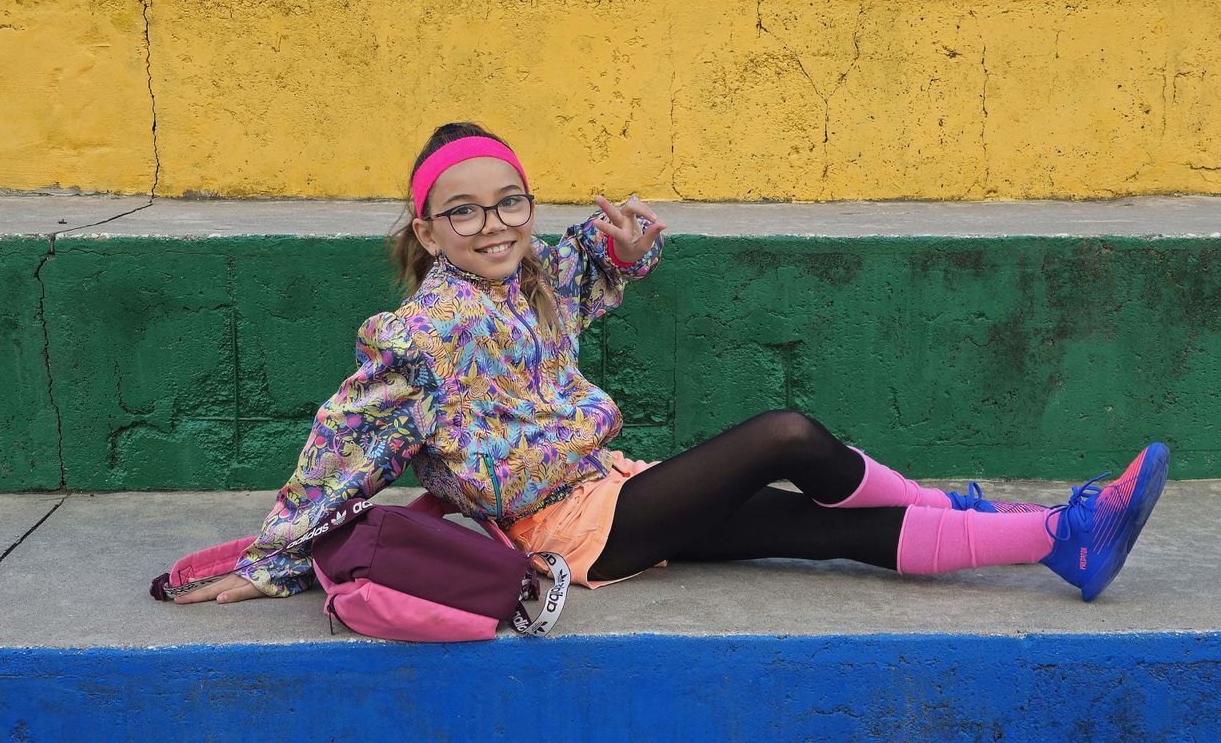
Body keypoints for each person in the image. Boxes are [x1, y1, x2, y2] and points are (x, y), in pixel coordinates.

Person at [175, 121, 1167, 608]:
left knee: (818, 530)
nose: (495, 223)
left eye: (510, 199)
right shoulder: (416, 342)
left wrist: (623, 242)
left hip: (619, 492)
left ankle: (1056, 539)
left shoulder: (528, 283)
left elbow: (594, 268)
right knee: (785, 435)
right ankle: (972, 508)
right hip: (561, 531)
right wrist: (273, 557)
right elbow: (341, 447)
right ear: (426, 231)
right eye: (465, 210)